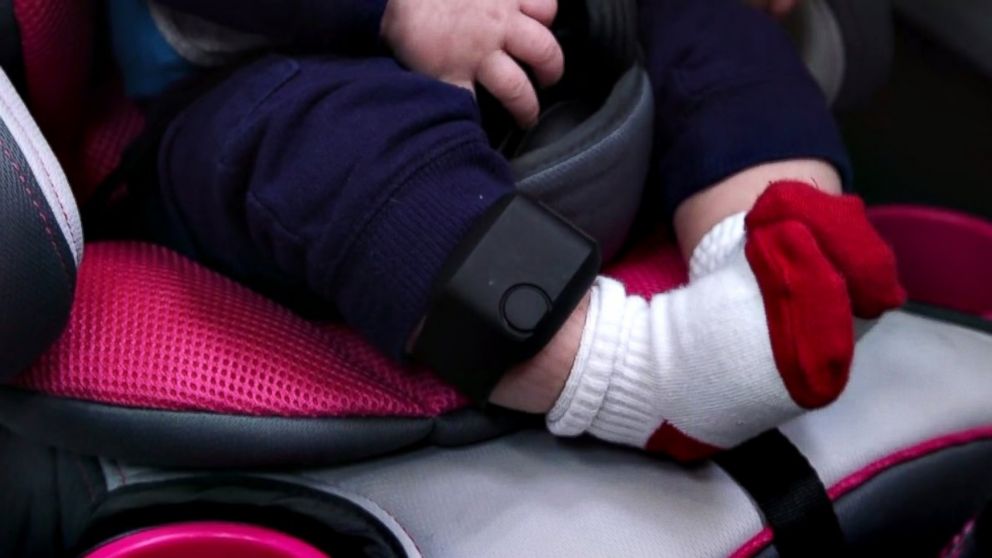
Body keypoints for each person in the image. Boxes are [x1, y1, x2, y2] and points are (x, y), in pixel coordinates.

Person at [105, 0, 904, 460]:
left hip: (536, 39)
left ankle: (773, 243)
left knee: (706, 13)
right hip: (278, 70)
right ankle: (637, 374)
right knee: (313, 146)